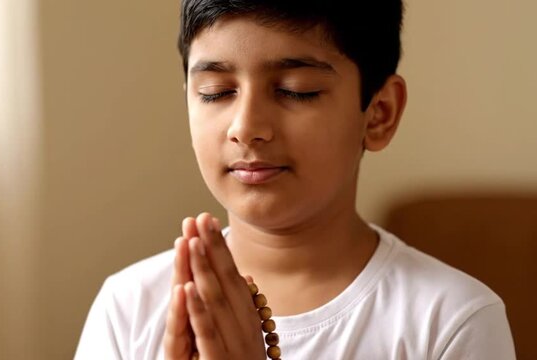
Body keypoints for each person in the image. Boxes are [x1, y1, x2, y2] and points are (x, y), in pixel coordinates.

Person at [75, 1, 516, 359]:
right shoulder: (129, 306)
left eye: (295, 90)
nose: (246, 127)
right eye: (216, 92)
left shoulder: (452, 321)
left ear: (378, 114)